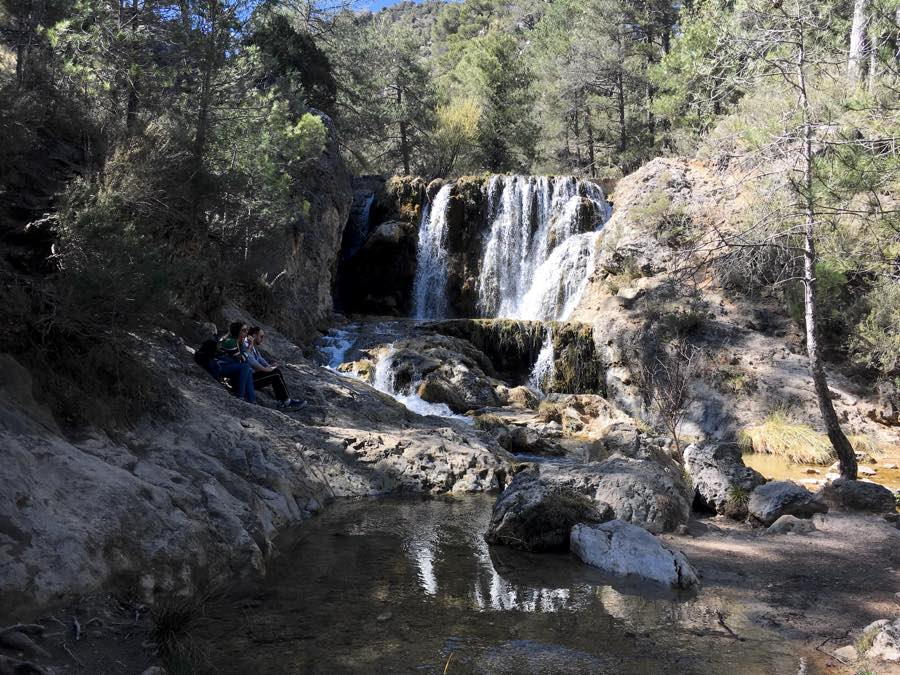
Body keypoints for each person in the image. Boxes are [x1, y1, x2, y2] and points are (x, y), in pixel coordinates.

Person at [244, 326, 304, 408]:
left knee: (275, 372)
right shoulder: (246, 345)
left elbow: (260, 359)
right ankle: (286, 403)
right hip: (247, 379)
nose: (262, 339)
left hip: (251, 377)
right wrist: (266, 369)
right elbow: (251, 362)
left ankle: (284, 400)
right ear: (254, 336)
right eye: (261, 336)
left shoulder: (253, 347)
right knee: (275, 374)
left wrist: (270, 366)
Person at [209, 321, 256, 404]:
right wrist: (249, 347)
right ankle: (240, 396)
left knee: (248, 369)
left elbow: (244, 361)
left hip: (227, 365)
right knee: (245, 367)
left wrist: (244, 347)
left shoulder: (237, 342)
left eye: (247, 330)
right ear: (237, 331)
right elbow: (241, 360)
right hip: (219, 367)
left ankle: (252, 400)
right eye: (244, 330)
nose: (247, 332)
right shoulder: (231, 341)